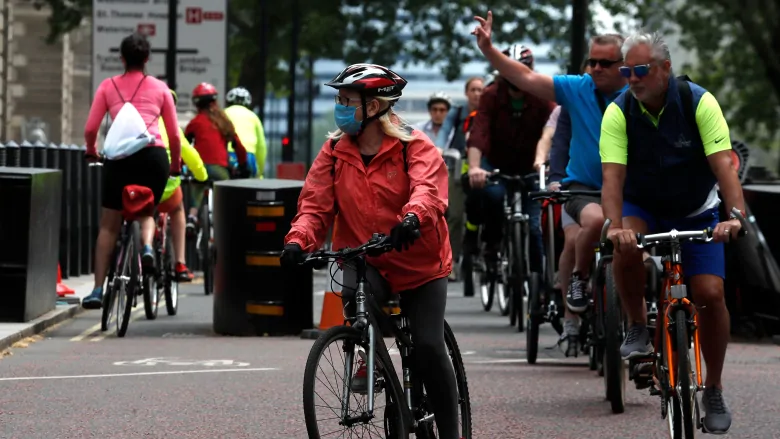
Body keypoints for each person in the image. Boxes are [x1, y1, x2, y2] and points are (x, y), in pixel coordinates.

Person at [278, 63, 459, 439]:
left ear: (374, 107)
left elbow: (429, 189)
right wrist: (297, 241)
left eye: (347, 100)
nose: (339, 107)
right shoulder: (333, 152)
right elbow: (314, 207)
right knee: (352, 289)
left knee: (427, 344)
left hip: (419, 263)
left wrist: (412, 219)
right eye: (339, 99)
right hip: (367, 257)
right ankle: (367, 354)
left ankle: (453, 432)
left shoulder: (415, 146)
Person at [600, 31, 744, 434]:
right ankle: (636, 325)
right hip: (642, 205)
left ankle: (712, 386)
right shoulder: (618, 111)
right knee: (626, 245)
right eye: (626, 71)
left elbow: (724, 167)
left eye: (641, 70)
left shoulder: (699, 102)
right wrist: (614, 228)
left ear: (665, 69)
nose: (632, 78)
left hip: (695, 208)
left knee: (711, 294)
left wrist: (735, 217)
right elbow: (612, 180)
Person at [472, 11, 628, 314]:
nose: (595, 68)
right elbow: (526, 78)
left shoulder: (636, 94)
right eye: (592, 61)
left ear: (624, 66)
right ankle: (578, 279)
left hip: (629, 190)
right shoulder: (576, 88)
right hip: (583, 188)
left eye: (604, 63)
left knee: (643, 253)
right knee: (595, 223)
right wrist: (489, 50)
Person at [82, 33, 181, 309]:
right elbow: (173, 135)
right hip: (153, 157)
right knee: (147, 210)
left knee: (109, 224)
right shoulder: (161, 89)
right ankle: (147, 247)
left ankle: (98, 290)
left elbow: (91, 129)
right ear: (147, 59)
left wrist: (91, 149)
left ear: (122, 58)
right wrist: (175, 166)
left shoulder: (108, 86)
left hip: (120, 158)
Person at [464, 44, 556, 276]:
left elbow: (555, 130)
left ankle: (539, 287)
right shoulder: (491, 95)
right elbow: (479, 131)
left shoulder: (542, 95)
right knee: (493, 197)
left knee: (536, 227)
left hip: (532, 166)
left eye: (521, 69)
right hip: (496, 164)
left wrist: (551, 164)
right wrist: (474, 167)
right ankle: (492, 247)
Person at [157, 89, 208, 282]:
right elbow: (191, 156)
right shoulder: (173, 129)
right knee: (178, 210)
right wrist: (202, 176)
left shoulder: (141, 124)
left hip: (139, 181)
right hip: (167, 184)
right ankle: (180, 262)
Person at [184, 83, 249, 230]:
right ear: (214, 101)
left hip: (199, 167)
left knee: (198, 188)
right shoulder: (224, 122)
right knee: (225, 195)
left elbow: (185, 146)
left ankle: (192, 217)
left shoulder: (195, 122)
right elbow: (239, 147)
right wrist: (243, 166)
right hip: (219, 168)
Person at [224, 86, 267, 178]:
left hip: (226, 154)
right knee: (250, 187)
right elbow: (261, 147)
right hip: (249, 155)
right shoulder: (254, 117)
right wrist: (260, 171)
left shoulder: (223, 113)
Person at [435, 77, 485, 153]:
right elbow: (445, 130)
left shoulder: (489, 114)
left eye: (479, 90)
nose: (476, 93)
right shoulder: (457, 111)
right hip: (457, 156)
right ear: (466, 92)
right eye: (473, 90)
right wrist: (438, 148)